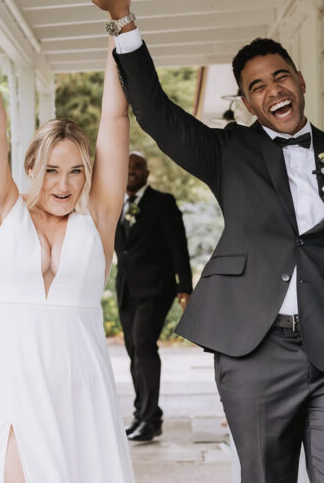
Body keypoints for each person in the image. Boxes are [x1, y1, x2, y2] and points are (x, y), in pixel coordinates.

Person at [92, 0, 324, 482]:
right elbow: (155, 112)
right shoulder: (227, 153)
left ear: (300, 79)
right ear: (247, 102)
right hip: (253, 352)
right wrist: (122, 19)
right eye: (258, 86)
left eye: (281, 76)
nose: (274, 90)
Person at [0, 0, 135, 483]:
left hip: (79, 387)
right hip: (6, 380)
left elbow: (115, 119)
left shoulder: (96, 220)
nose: (64, 184)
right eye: (51, 170)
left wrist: (119, 21)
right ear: (31, 168)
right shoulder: (0, 212)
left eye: (76, 171)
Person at [115, 152, 193, 442]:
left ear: (146, 172)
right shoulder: (115, 204)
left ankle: (151, 418)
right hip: (126, 290)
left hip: (155, 290)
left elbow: (178, 246)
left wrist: (184, 286)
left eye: (137, 166)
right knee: (134, 350)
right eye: (128, 166)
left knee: (144, 346)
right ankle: (140, 413)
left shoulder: (163, 203)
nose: (132, 171)